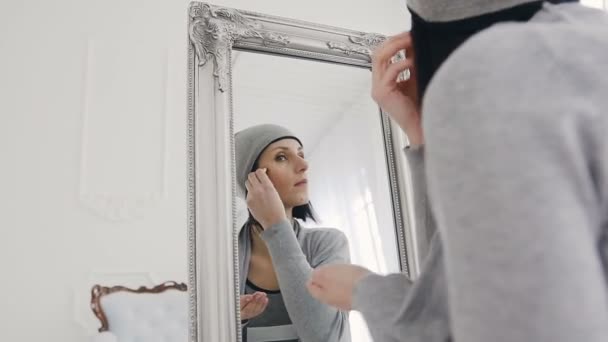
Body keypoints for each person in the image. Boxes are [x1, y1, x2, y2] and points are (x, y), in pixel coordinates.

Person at [305, 1, 608, 342]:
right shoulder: (592, 38)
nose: (302, 164)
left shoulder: (493, 73)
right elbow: (456, 285)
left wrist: (368, 292)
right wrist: (423, 141)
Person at [235, 124, 351, 342]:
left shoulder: (328, 244)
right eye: (281, 157)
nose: (304, 164)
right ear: (251, 179)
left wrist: (276, 226)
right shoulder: (223, 255)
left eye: (301, 155)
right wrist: (233, 320)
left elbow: (327, 337)